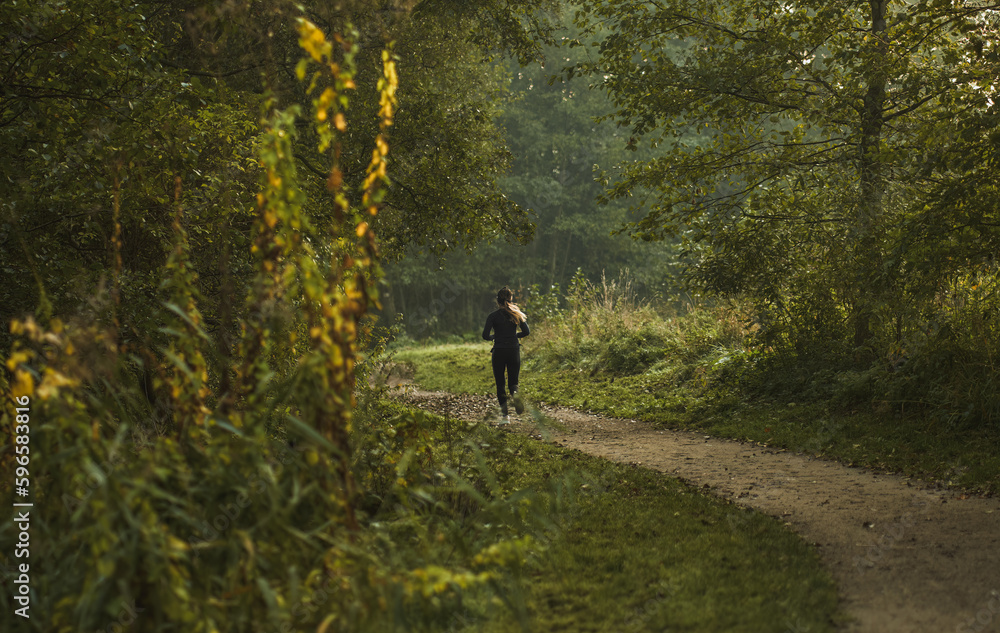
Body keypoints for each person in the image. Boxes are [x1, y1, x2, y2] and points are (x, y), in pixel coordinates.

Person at [482, 286, 529, 424]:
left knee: (500, 384)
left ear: (498, 301)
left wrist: (494, 337)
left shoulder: (493, 316)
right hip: (513, 350)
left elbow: (485, 335)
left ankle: (505, 417)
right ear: (510, 299)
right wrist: (515, 336)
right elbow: (526, 332)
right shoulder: (516, 314)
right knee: (513, 382)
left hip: (499, 351)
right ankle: (516, 395)